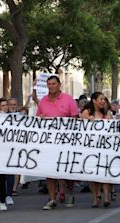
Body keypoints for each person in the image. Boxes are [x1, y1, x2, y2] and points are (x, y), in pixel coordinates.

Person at [36, 75, 79, 210]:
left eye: (54, 84)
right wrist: (41, 118)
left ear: (59, 85)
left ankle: (70, 193)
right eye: (49, 84)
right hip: (49, 142)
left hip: (66, 141)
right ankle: (52, 198)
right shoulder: (43, 101)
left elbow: (75, 118)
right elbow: (37, 119)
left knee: (67, 169)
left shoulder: (68, 99)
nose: (51, 86)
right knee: (50, 170)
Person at [80, 92, 113, 208]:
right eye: (101, 99)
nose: (103, 101)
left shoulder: (107, 113)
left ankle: (106, 196)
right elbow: (79, 128)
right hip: (91, 148)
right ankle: (95, 197)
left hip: (105, 146)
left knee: (105, 171)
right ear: (94, 101)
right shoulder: (86, 112)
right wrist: (88, 121)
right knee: (93, 173)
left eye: (104, 99)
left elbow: (111, 127)